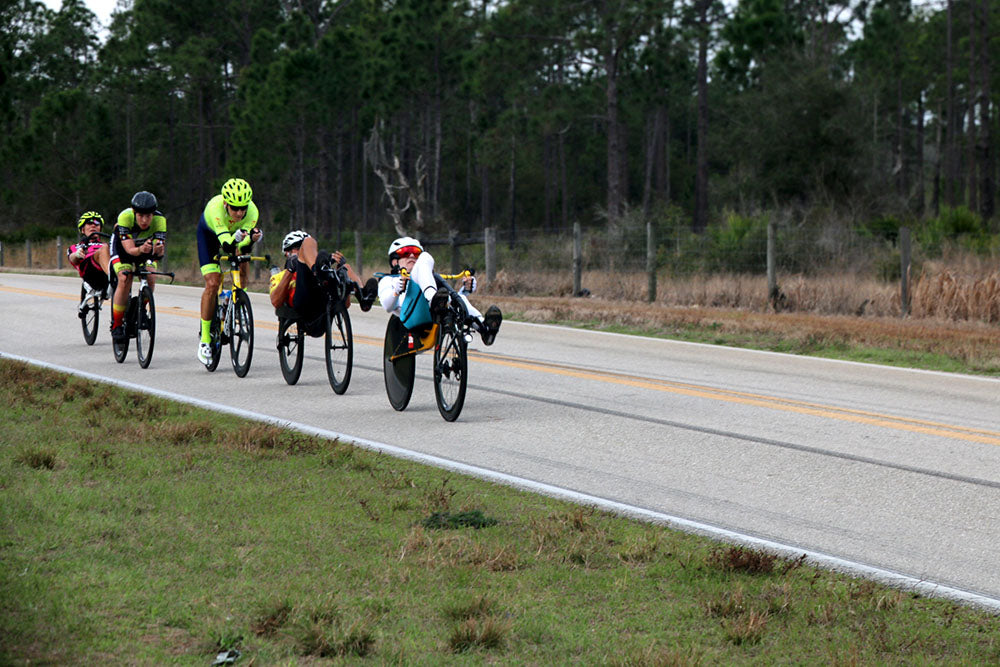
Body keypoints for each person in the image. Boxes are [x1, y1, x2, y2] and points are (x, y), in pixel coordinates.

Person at [377, 236, 501, 345]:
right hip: (411, 316)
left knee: (459, 298)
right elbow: (388, 306)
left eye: (416, 253)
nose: (411, 256)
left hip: (433, 310)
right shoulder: (389, 280)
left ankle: (485, 329)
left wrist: (465, 290)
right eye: (405, 252)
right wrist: (396, 291)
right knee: (426, 258)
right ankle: (433, 300)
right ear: (394, 262)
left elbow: (451, 296)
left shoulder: (426, 277)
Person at [196, 177, 262, 365]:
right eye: (235, 208)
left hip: (233, 237)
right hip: (210, 236)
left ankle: (238, 301)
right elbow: (226, 243)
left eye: (243, 208)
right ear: (226, 204)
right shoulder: (216, 208)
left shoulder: (253, 212)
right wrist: (239, 239)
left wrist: (252, 239)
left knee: (242, 260)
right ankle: (205, 340)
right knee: (213, 282)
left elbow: (244, 245)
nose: (240, 213)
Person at [269, 231, 377, 336]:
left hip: (323, 305)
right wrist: (290, 270)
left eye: (305, 249)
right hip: (304, 305)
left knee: (345, 268)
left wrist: (339, 268)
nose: (303, 251)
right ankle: (317, 269)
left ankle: (363, 297)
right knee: (309, 241)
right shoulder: (281, 275)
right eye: (298, 248)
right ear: (287, 253)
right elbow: (276, 302)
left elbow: (346, 305)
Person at [109, 192, 167, 340]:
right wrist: (141, 250)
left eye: (148, 216)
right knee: (124, 278)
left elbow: (159, 249)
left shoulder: (160, 220)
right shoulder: (125, 217)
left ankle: (141, 308)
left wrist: (157, 249)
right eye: (141, 215)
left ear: (153, 214)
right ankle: (116, 324)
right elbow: (129, 250)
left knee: (151, 276)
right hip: (123, 248)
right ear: (134, 213)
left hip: (144, 249)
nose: (144, 220)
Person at [67, 211, 111, 299]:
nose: (93, 225)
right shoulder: (77, 246)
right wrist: (77, 254)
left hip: (106, 270)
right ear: (83, 229)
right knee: (104, 248)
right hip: (90, 271)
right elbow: (72, 258)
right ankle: (112, 276)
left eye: (97, 223)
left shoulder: (106, 244)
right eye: (89, 223)